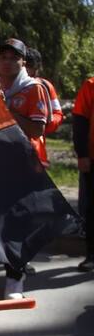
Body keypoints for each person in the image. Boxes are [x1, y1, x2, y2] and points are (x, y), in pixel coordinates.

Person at [0, 38, 50, 296]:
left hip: (25, 162)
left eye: (12, 57)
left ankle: (14, 280)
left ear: (23, 62)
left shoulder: (33, 89)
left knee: (17, 222)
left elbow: (38, 128)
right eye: (2, 57)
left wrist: (5, 109)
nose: (6, 62)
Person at [25, 47, 64, 168]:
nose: (26, 70)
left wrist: (43, 123)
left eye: (30, 66)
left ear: (37, 68)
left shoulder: (45, 86)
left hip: (35, 145)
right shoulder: (1, 81)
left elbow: (58, 114)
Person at [72, 76, 94, 272]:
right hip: (93, 157)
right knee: (92, 208)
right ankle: (91, 254)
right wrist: (82, 154)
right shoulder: (91, 85)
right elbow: (79, 120)